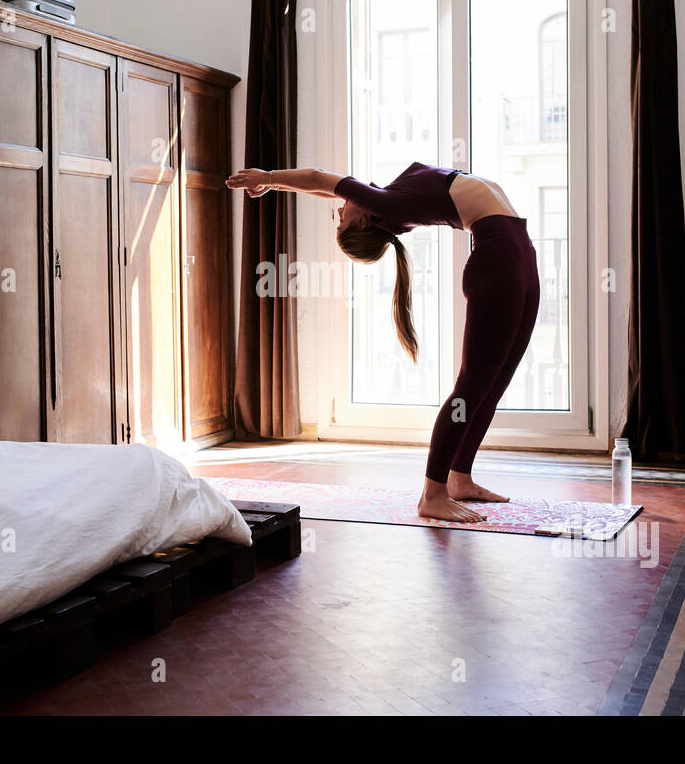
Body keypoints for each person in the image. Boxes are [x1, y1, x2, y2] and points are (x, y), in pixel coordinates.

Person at [226, 162, 541, 523]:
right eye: (341, 220)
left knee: (494, 384)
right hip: (499, 260)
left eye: (339, 214)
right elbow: (318, 179)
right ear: (363, 222)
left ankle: (459, 478)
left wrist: (276, 185)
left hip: (520, 255)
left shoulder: (388, 201)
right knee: (472, 386)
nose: (340, 209)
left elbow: (327, 188)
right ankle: (432, 495)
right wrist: (266, 178)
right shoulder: (387, 206)